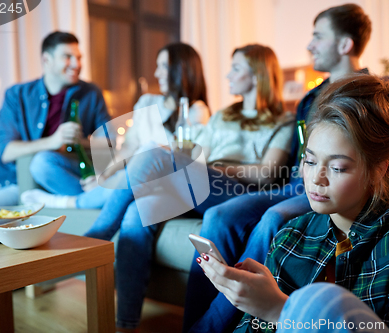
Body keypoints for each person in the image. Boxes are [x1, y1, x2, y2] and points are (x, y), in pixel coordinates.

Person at [182, 4, 389, 332]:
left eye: (318, 36)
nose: (309, 45)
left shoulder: (386, 91)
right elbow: (295, 159)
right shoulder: (310, 99)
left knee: (273, 218)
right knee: (220, 214)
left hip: (320, 193)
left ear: (345, 44)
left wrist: (362, 137)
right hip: (291, 184)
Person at [85, 44, 294, 332]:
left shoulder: (283, 121)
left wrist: (214, 170)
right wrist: (188, 163)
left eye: (235, 68)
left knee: (153, 152)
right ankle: (125, 324)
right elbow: (201, 154)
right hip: (203, 183)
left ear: (258, 75)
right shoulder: (224, 115)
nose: (227, 74)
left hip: (238, 192)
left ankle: (98, 235)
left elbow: (267, 174)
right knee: (137, 211)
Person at [21, 42, 210, 209]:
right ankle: (94, 199)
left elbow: (183, 160)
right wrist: (103, 178)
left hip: (154, 181)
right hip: (127, 174)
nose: (156, 73)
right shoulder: (147, 102)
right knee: (42, 163)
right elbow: (128, 147)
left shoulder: (195, 111)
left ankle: (67, 202)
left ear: (180, 70)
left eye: (163, 66)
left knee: (134, 172)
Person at [0, 31, 110, 215]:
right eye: (68, 57)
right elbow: (6, 152)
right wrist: (52, 141)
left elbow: (107, 144)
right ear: (46, 59)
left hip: (21, 182)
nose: (76, 64)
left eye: (79, 58)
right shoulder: (18, 94)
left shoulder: (90, 94)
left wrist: (80, 142)